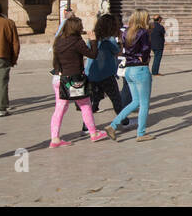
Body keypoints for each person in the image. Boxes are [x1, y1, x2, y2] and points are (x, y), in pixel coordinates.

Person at [50, 17, 108, 147]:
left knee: (59, 108)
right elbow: (92, 54)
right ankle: (93, 133)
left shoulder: (58, 40)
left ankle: (55, 138)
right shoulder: (76, 42)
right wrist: (93, 41)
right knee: (85, 105)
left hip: (59, 77)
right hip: (74, 78)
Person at [104, 9, 155, 141]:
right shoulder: (143, 32)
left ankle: (113, 125)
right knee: (144, 103)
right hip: (140, 69)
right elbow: (145, 49)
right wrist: (144, 58)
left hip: (129, 69)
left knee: (135, 101)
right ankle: (141, 133)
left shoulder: (126, 32)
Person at [85, 14, 125, 119]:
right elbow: (118, 52)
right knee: (116, 99)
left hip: (91, 74)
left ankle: (86, 127)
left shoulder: (93, 38)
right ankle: (124, 121)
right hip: (106, 74)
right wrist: (120, 40)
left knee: (92, 100)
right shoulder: (109, 40)